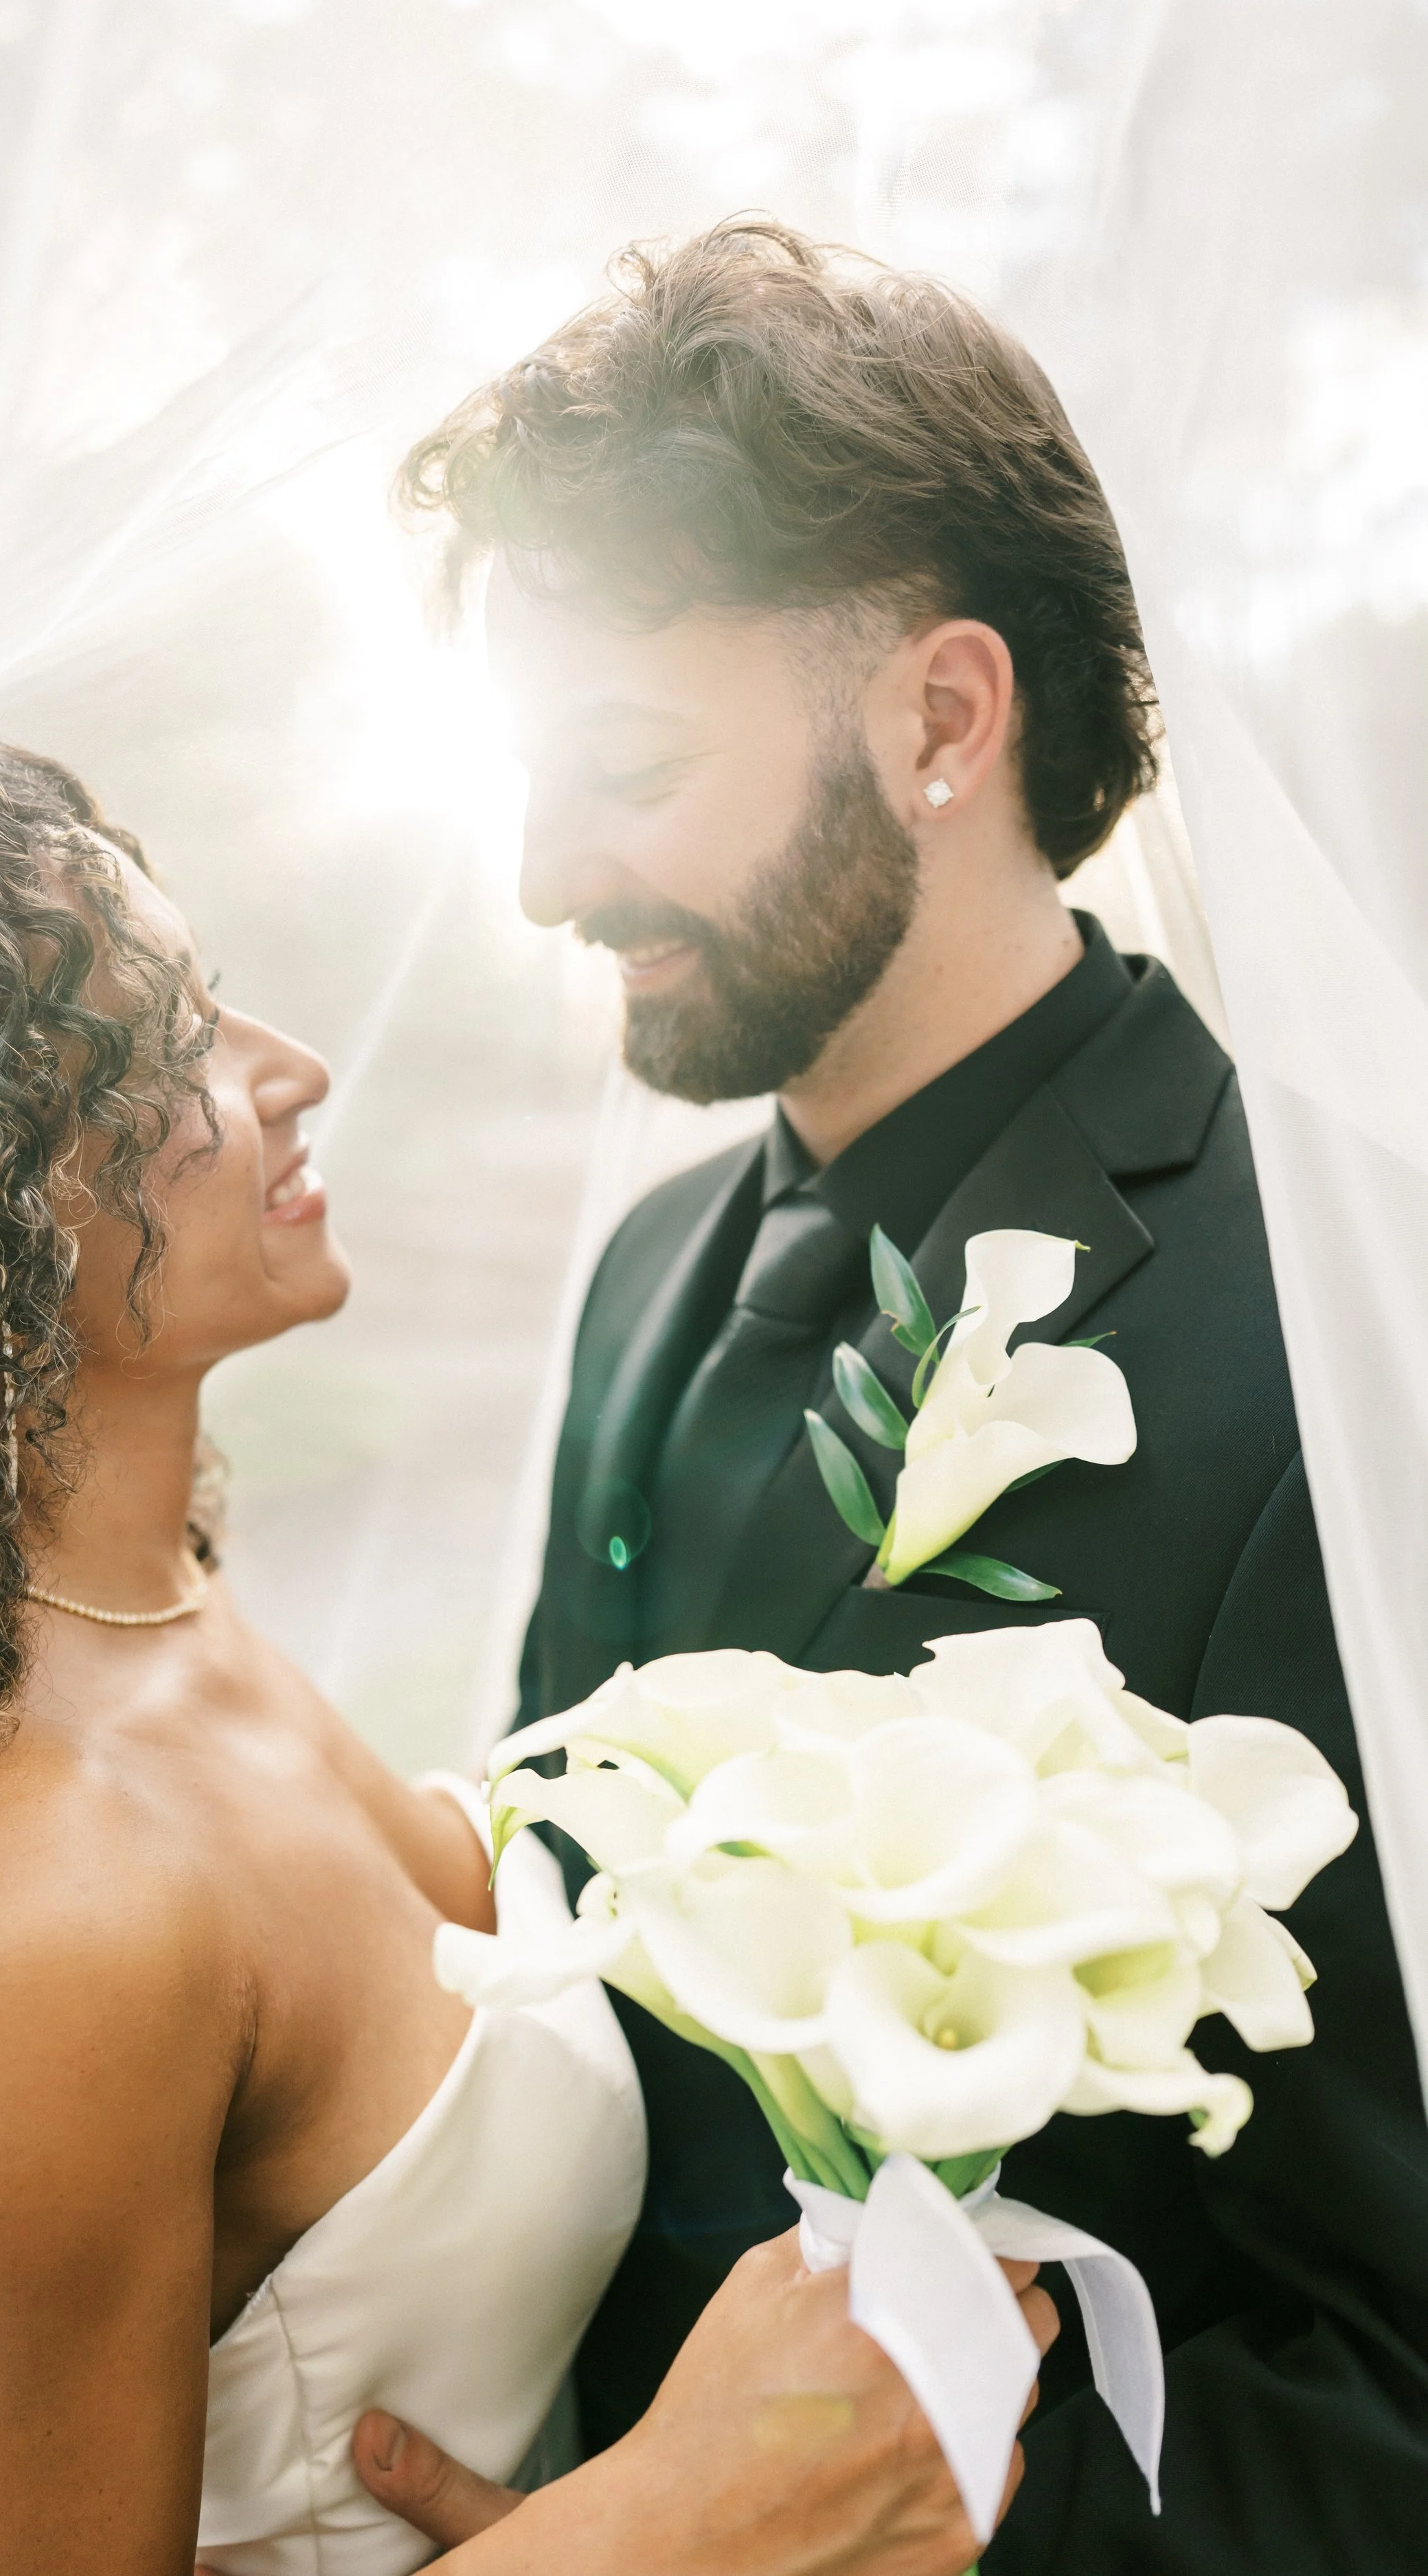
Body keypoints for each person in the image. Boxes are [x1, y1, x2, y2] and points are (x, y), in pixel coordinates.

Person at [366, 219, 1428, 2572]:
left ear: (945, 720)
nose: (543, 877)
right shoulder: (649, 1274)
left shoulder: (1336, 1337)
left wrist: (899, 2506)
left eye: (624, 766)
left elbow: (1390, 2389)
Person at [0, 743, 1051, 2576]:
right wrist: (681, 2513)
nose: (290, 1068)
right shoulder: (22, 1915)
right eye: (167, 1037)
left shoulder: (157, 1616)